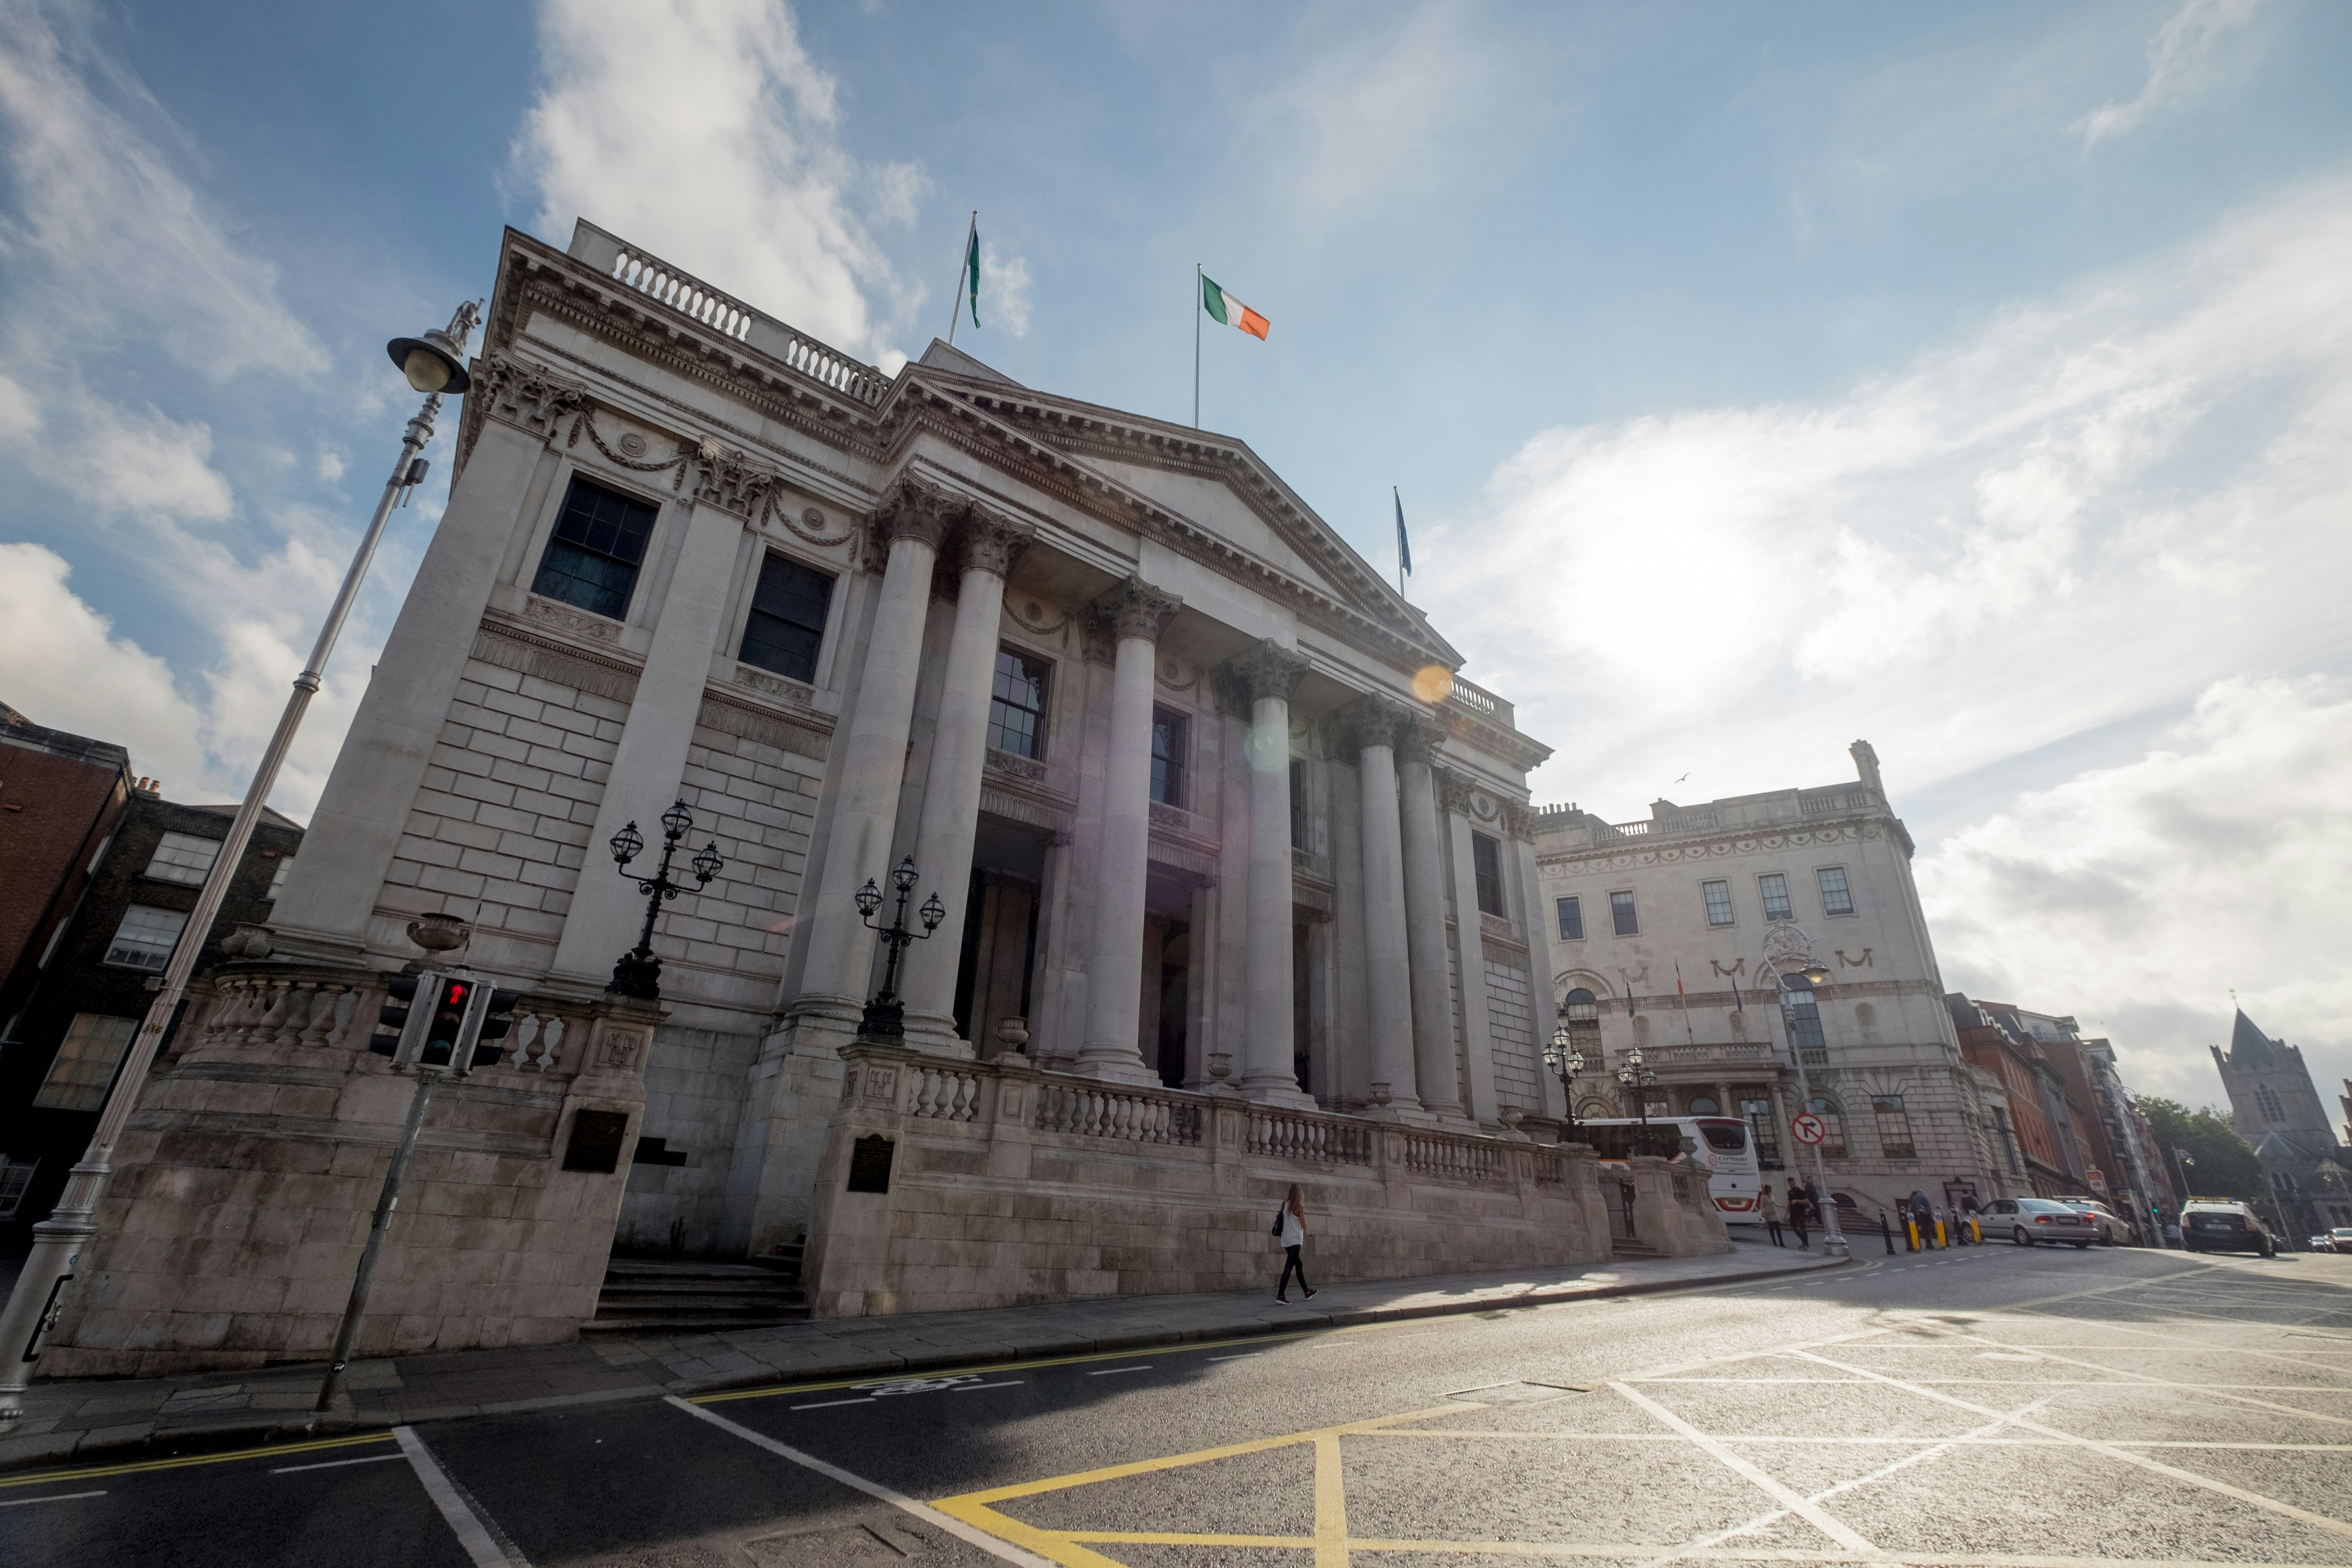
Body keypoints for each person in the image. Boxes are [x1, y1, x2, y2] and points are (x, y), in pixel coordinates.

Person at [1274, 1183, 1317, 1302]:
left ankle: (1307, 1292)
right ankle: (1281, 1295)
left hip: (1286, 1241)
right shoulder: (1299, 1206)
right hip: (1296, 1241)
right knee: (1289, 1268)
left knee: (1299, 1265)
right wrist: (1304, 1218)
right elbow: (1303, 1225)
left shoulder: (1285, 1204)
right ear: (1300, 1194)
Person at [1760, 1184, 1787, 1248]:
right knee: (1771, 1229)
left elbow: (1775, 1204)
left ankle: (1781, 1243)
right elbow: (1762, 1206)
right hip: (1769, 1214)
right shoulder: (1763, 1197)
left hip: (1775, 1213)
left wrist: (1782, 1206)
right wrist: (1763, 1214)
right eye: (1768, 1189)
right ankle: (1774, 1242)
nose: (1770, 1190)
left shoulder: (1772, 1195)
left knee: (1778, 1228)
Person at [1786, 1184, 1812, 1250]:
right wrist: (1788, 1211)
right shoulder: (1790, 1192)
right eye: (1789, 1183)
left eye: (1792, 1183)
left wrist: (1797, 1201)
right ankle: (1804, 1242)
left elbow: (1807, 1201)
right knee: (1793, 1227)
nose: (1790, 1185)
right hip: (1793, 1212)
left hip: (1801, 1212)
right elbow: (1789, 1202)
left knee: (1802, 1227)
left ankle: (1806, 1244)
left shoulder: (1801, 1192)